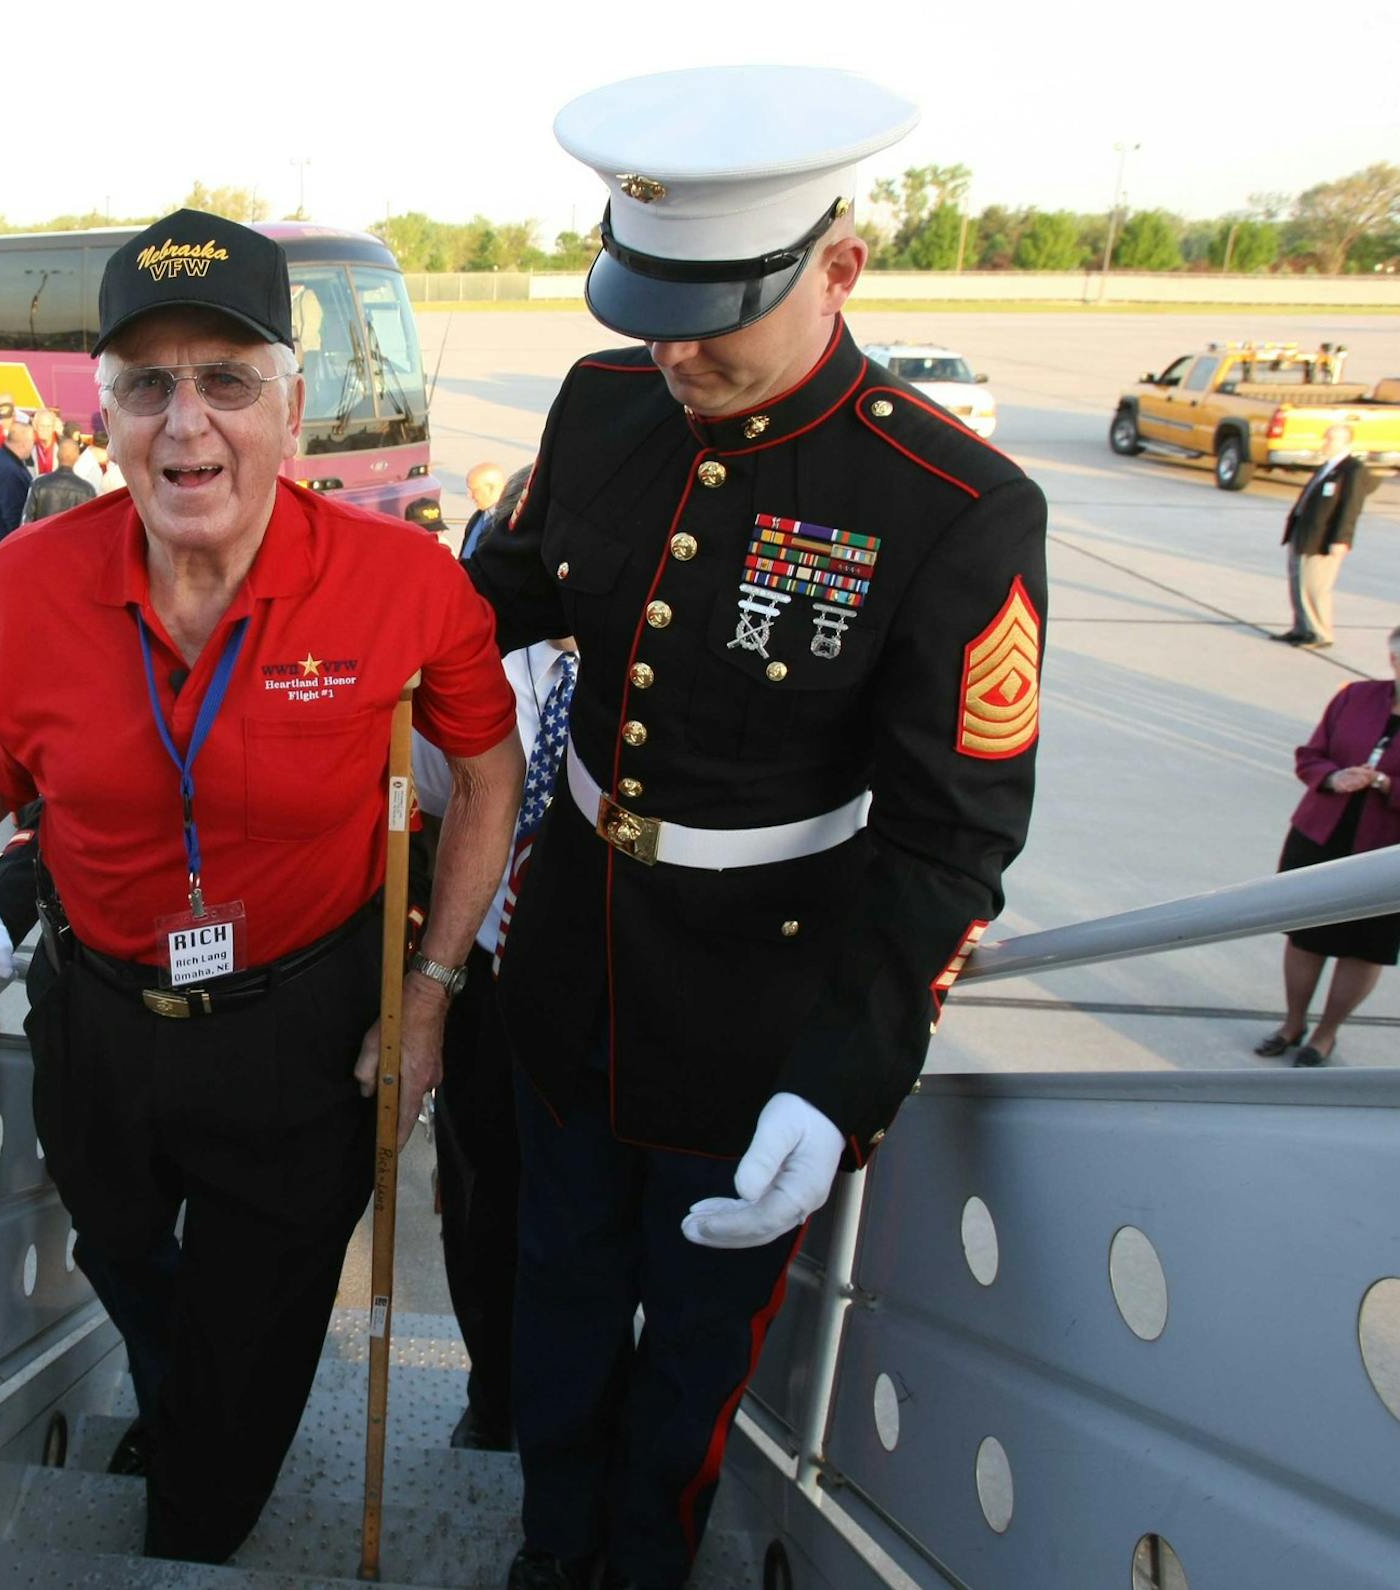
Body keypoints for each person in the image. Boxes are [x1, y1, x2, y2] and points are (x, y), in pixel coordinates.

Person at [0, 208, 523, 1567]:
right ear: (106, 414)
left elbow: (486, 773)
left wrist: (428, 996)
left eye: (227, 381)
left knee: (235, 1392)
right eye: (148, 386)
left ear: (292, 408)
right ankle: (185, 1386)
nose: (187, 425)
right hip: (103, 1019)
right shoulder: (26, 579)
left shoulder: (403, 582)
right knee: (125, 1251)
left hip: (304, 1033)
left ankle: (193, 1500)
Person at [466, 68, 1047, 1589]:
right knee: (559, 1294)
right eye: (645, 301)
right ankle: (547, 1552)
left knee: (694, 1355)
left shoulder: (951, 500)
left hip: (759, 1018)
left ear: (839, 267)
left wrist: (843, 1075)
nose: (670, 348)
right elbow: (513, 600)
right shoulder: (604, 406)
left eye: (713, 310)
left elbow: (949, 837)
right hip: (574, 966)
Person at [409, 623, 577, 1455]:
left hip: (606, 990)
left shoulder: (654, 665)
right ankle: (496, 1396)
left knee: (589, 1213)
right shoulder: (487, 670)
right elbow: (435, 806)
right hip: (488, 982)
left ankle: (579, 1411)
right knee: (480, 1203)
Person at [1259, 625, 1400, 1066]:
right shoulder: (1355, 696)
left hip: (1384, 852)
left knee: (1364, 946)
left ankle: (1325, 1034)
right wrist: (1333, 777)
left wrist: (1384, 783)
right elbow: (1310, 754)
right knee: (1305, 937)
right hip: (1319, 835)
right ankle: (1293, 1022)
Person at [1274, 424, 1372, 650]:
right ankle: (1302, 628)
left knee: (1316, 586)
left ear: (1346, 442)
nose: (1325, 443)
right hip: (1303, 532)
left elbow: (1350, 507)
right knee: (1299, 583)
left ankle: (1320, 632)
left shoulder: (1353, 470)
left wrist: (1342, 539)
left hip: (1323, 538)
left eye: (1330, 440)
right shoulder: (1327, 466)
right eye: (1326, 439)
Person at [0, 415, 35, 556]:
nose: (33, 446)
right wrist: (21, 542)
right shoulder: (8, 470)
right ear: (23, 444)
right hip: (4, 538)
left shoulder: (2, 457)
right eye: (32, 442)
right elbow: (12, 513)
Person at [21, 435, 97, 525]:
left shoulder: (39, 484)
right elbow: (90, 524)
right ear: (77, 458)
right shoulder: (87, 489)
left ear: (57, 455)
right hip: (72, 538)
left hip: (43, 537)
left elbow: (26, 521)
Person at [457, 461, 507, 559]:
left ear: (491, 488)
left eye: (474, 490)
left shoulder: (505, 522)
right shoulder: (477, 517)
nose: (469, 496)